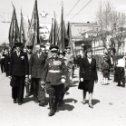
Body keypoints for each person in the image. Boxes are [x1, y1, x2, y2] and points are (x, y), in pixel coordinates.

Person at [41, 45, 67, 116]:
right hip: (49, 80)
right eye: (52, 52)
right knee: (51, 94)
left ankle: (54, 105)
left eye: (55, 52)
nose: (54, 53)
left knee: (57, 95)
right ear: (51, 52)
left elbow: (64, 70)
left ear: (57, 52)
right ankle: (52, 109)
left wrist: (63, 77)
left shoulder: (61, 60)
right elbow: (44, 71)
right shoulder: (48, 60)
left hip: (58, 81)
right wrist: (43, 80)